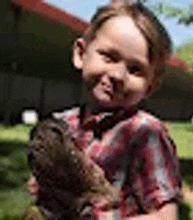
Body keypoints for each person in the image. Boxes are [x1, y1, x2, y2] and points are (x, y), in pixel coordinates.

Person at [26, 2, 182, 219]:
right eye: (109, 56)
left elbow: (165, 215)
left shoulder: (146, 133)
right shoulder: (61, 125)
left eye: (135, 69)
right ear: (81, 54)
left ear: (151, 86)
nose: (118, 74)